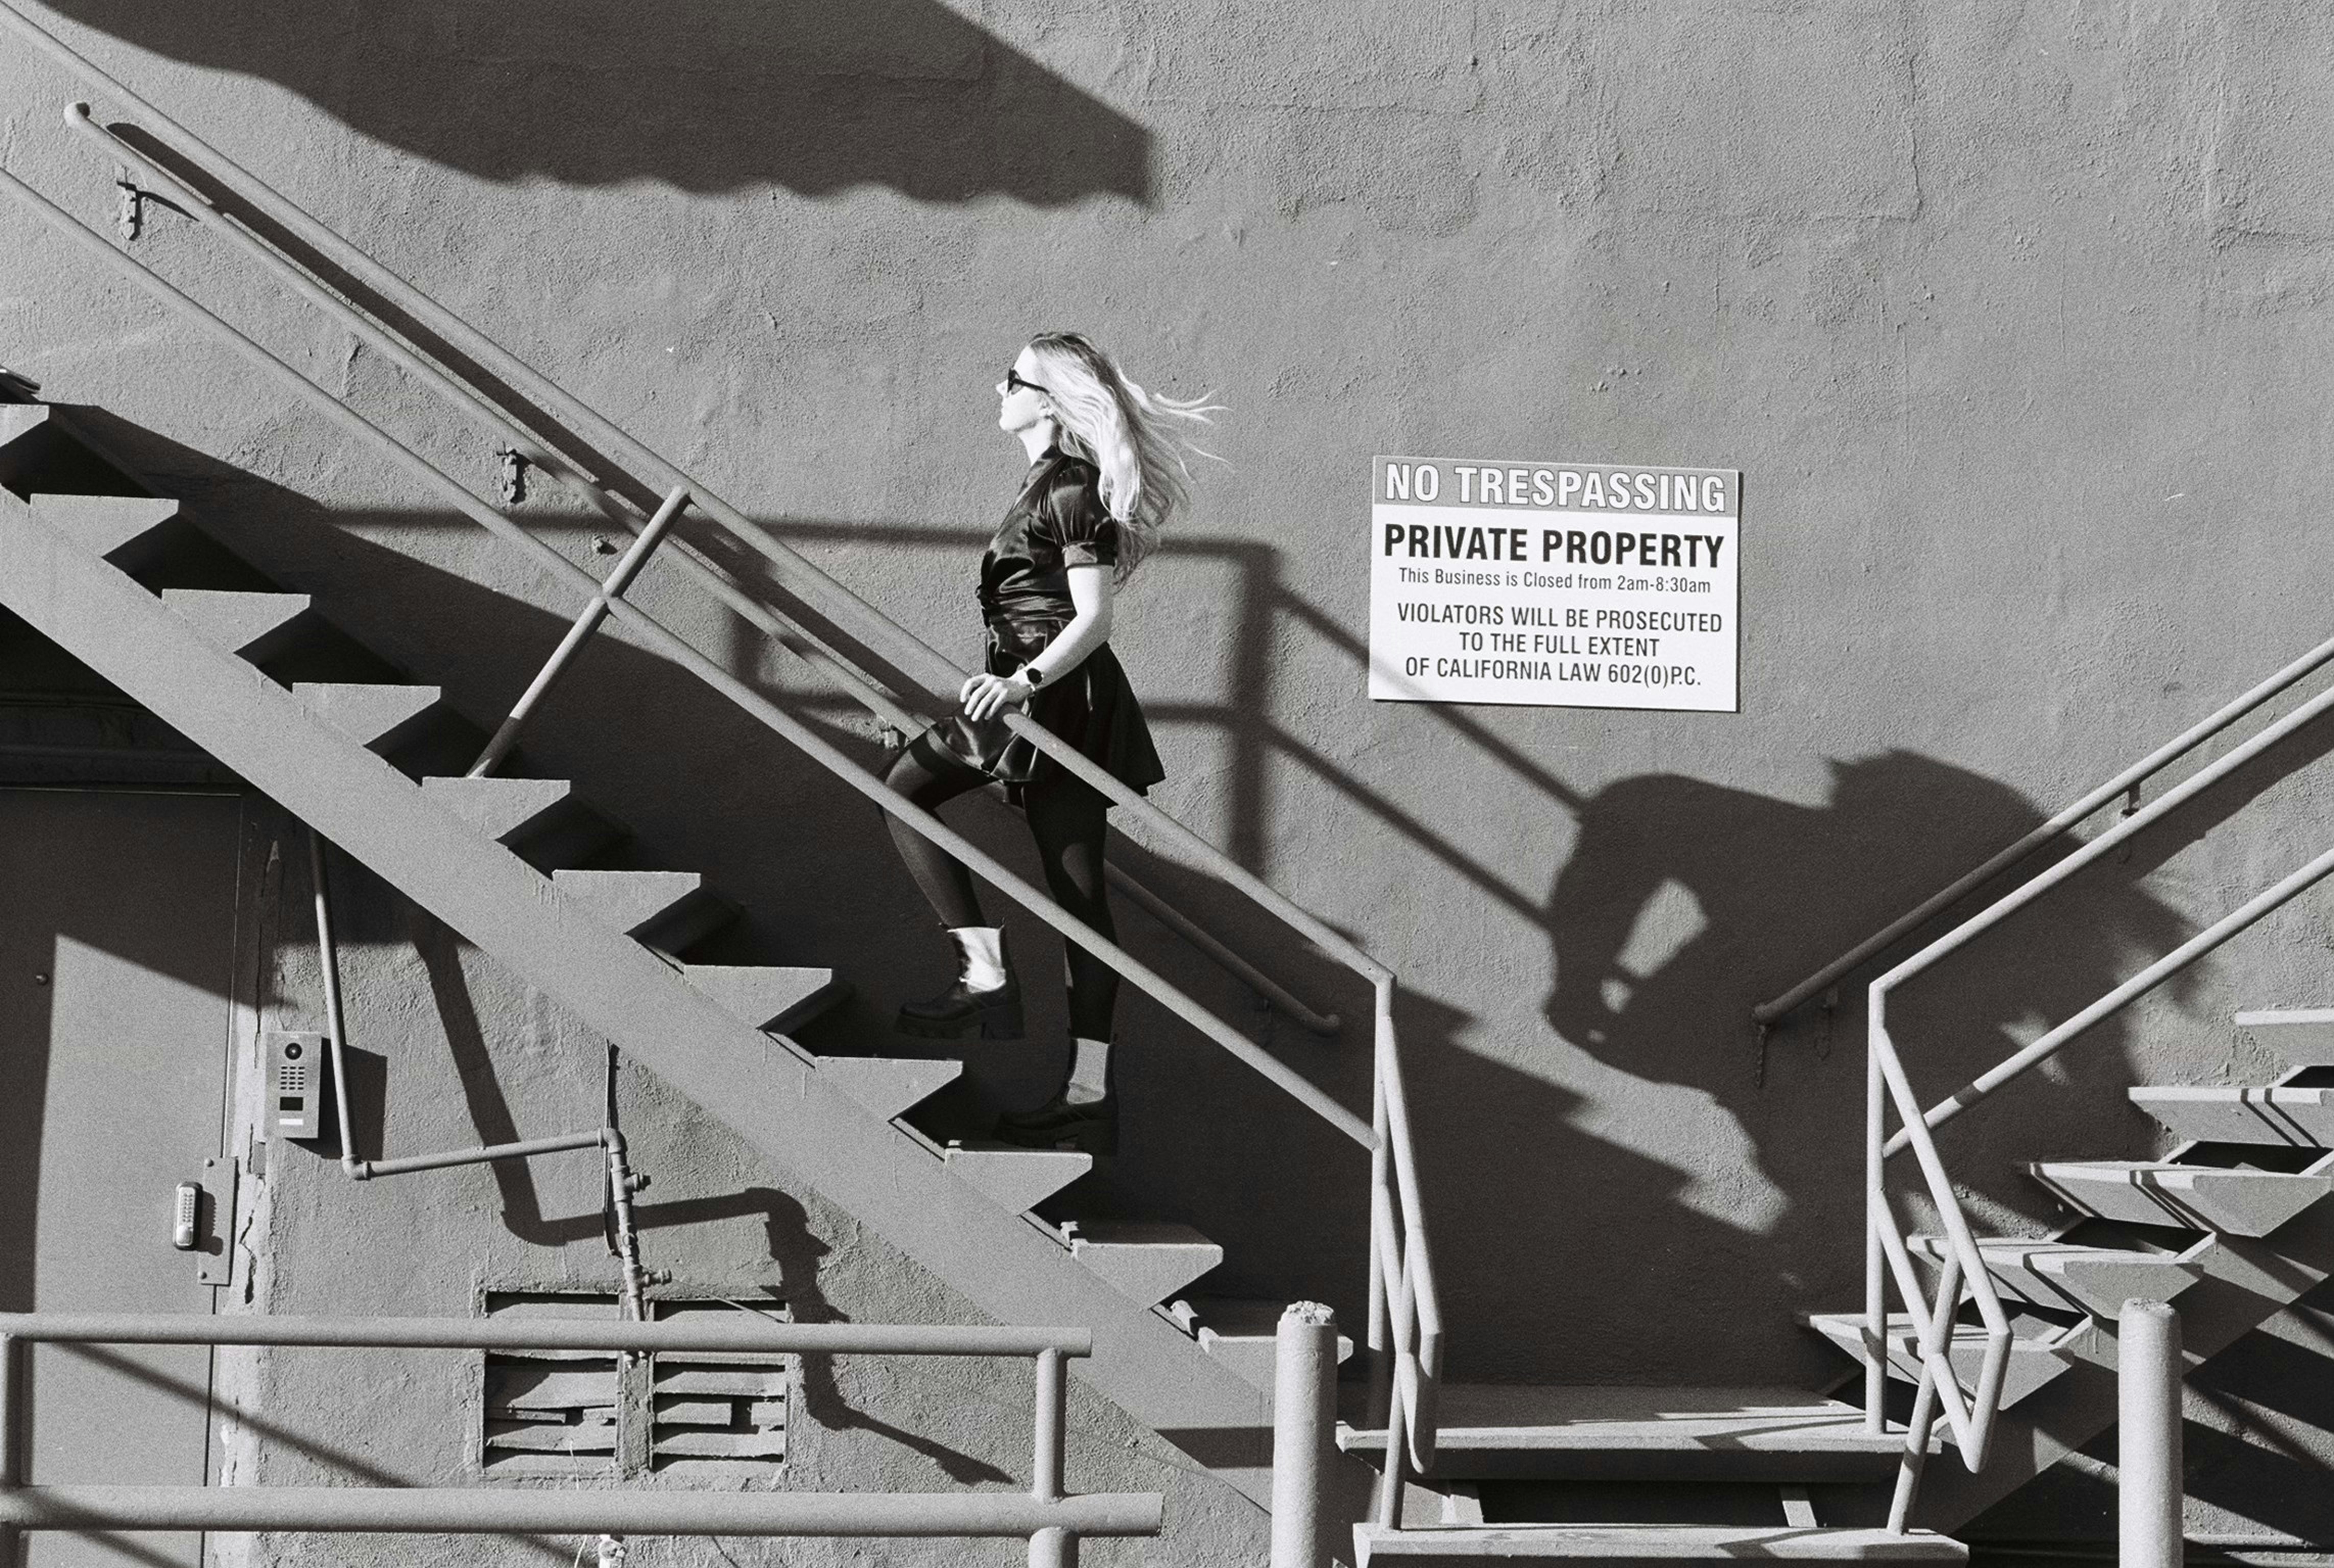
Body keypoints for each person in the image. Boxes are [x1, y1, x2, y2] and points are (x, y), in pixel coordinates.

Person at [880, 331, 1216, 1156]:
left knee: (1078, 903)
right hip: (1023, 699)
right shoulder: (1043, 484)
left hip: (1050, 704)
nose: (997, 388)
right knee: (913, 795)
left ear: (1049, 399)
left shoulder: (1070, 491)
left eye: (1012, 378)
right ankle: (992, 984)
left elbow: (1094, 619)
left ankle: (1076, 1082)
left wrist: (1023, 682)